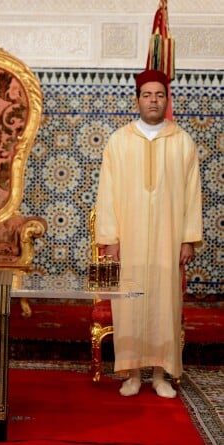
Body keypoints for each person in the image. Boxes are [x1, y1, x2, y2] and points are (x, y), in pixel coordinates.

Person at [95, 69, 203, 398]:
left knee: (164, 303)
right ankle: (131, 373)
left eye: (159, 95)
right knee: (129, 303)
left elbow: (192, 193)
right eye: (147, 95)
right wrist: (110, 239)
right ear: (137, 99)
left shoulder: (182, 141)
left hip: (168, 240)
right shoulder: (119, 140)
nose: (153, 101)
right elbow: (107, 194)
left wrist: (187, 237)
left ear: (166, 100)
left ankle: (160, 374)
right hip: (129, 240)